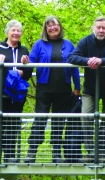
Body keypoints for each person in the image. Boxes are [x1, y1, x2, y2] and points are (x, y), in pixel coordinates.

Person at [67, 16, 105, 163]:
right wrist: (87, 61)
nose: (101, 30)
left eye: (103, 28)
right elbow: (72, 57)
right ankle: (91, 152)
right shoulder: (86, 41)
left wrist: (102, 61)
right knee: (86, 116)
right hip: (91, 88)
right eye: (98, 27)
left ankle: (104, 154)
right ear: (93, 28)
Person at [24, 16, 81, 164]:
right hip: (44, 88)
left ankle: (56, 153)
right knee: (40, 120)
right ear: (45, 29)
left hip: (63, 89)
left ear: (60, 27)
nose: (52, 28)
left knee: (59, 122)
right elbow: (31, 61)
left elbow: (74, 66)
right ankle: (32, 152)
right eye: (48, 26)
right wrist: (25, 62)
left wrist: (77, 87)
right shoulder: (39, 44)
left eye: (54, 25)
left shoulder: (68, 44)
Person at [0, 20, 33, 164]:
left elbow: (29, 73)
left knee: (13, 124)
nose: (16, 33)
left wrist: (25, 67)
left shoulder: (24, 50)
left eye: (19, 31)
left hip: (16, 94)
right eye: (14, 30)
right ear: (7, 32)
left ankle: (10, 155)